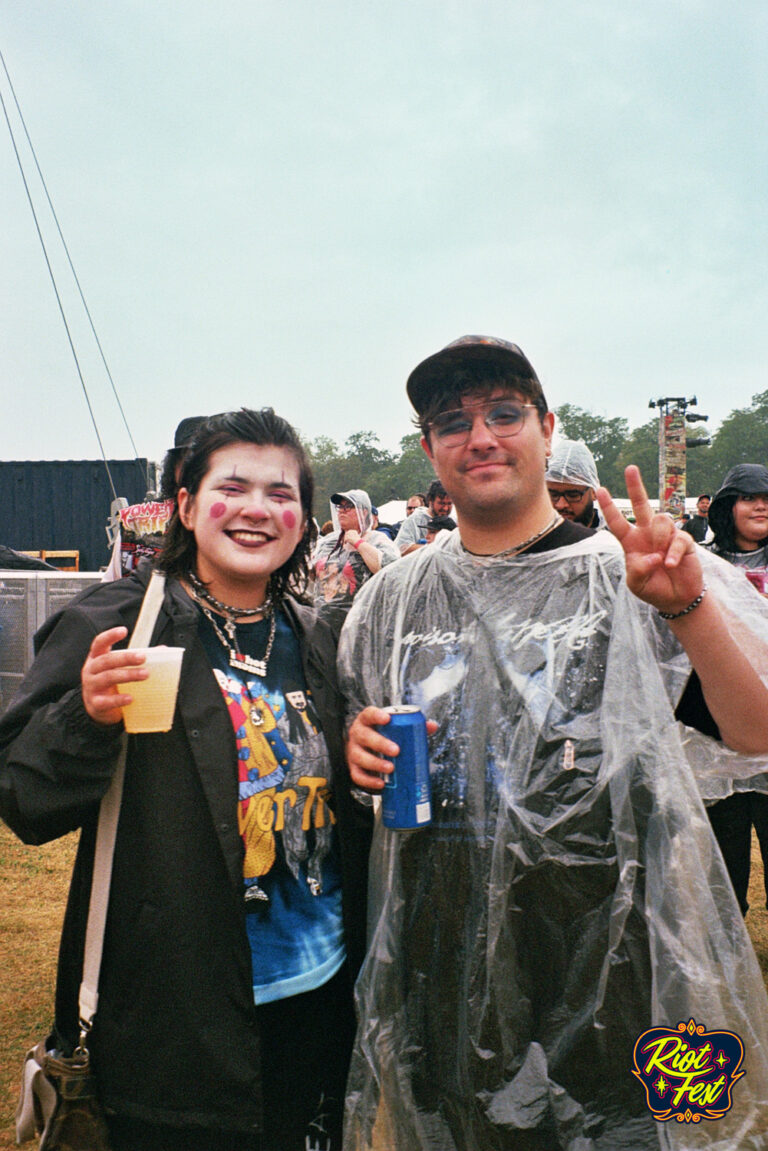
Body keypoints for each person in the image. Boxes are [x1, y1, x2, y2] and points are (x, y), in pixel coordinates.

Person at [340, 335, 768, 1150]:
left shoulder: (630, 576)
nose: (482, 436)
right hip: (442, 956)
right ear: (429, 447)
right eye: (453, 421)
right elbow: (363, 764)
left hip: (609, 954)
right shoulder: (391, 600)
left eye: (505, 412)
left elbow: (756, 731)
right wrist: (359, 758)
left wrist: (687, 608)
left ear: (546, 427)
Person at [0, 408, 372, 1151]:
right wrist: (88, 713)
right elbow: (23, 797)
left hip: (318, 1009)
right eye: (233, 486)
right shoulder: (119, 623)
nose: (258, 509)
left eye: (282, 493)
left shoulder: (319, 633)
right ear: (186, 504)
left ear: (303, 519)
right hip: (172, 1021)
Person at [701, 465, 768, 916]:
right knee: (724, 866)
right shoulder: (701, 563)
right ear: (728, 507)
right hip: (716, 732)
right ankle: (729, 962)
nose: (761, 504)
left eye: (767, 496)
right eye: (748, 497)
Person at [311, 489, 399, 634]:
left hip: (359, 626)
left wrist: (357, 542)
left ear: (364, 512)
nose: (342, 511)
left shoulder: (377, 539)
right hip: (323, 625)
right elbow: (312, 576)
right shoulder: (329, 542)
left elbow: (389, 570)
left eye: (348, 507)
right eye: (340, 507)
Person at [546, 436, 603, 528]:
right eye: (553, 495)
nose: (560, 505)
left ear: (594, 492)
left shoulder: (615, 539)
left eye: (573, 495)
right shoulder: (530, 537)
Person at [393, 479, 453, 555]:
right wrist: (433, 548)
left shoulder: (454, 521)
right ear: (430, 500)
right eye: (441, 503)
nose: (445, 508)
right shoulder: (415, 520)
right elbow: (401, 548)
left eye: (449, 504)